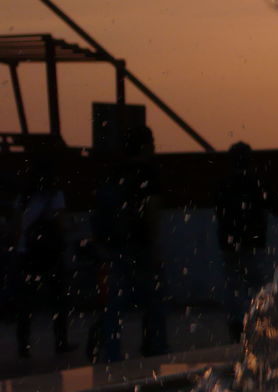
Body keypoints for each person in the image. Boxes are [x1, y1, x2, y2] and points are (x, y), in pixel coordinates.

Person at [92, 125, 168, 362]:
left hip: (116, 246)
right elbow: (152, 211)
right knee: (154, 301)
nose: (155, 147)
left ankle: (111, 352)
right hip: (141, 245)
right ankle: (156, 349)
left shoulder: (114, 172)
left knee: (114, 304)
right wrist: (155, 247)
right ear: (145, 145)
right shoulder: (148, 173)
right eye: (152, 142)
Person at [215, 142, 278, 340]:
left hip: (230, 244)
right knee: (257, 286)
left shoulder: (225, 183)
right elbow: (275, 208)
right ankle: (259, 323)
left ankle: (236, 325)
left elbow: (220, 213)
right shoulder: (257, 182)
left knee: (233, 286)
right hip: (254, 242)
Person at [13, 154, 74, 358]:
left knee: (25, 303)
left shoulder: (23, 197)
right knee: (58, 299)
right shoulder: (54, 195)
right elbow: (60, 223)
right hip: (49, 254)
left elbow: (16, 226)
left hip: (26, 252)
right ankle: (60, 341)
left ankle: (23, 344)